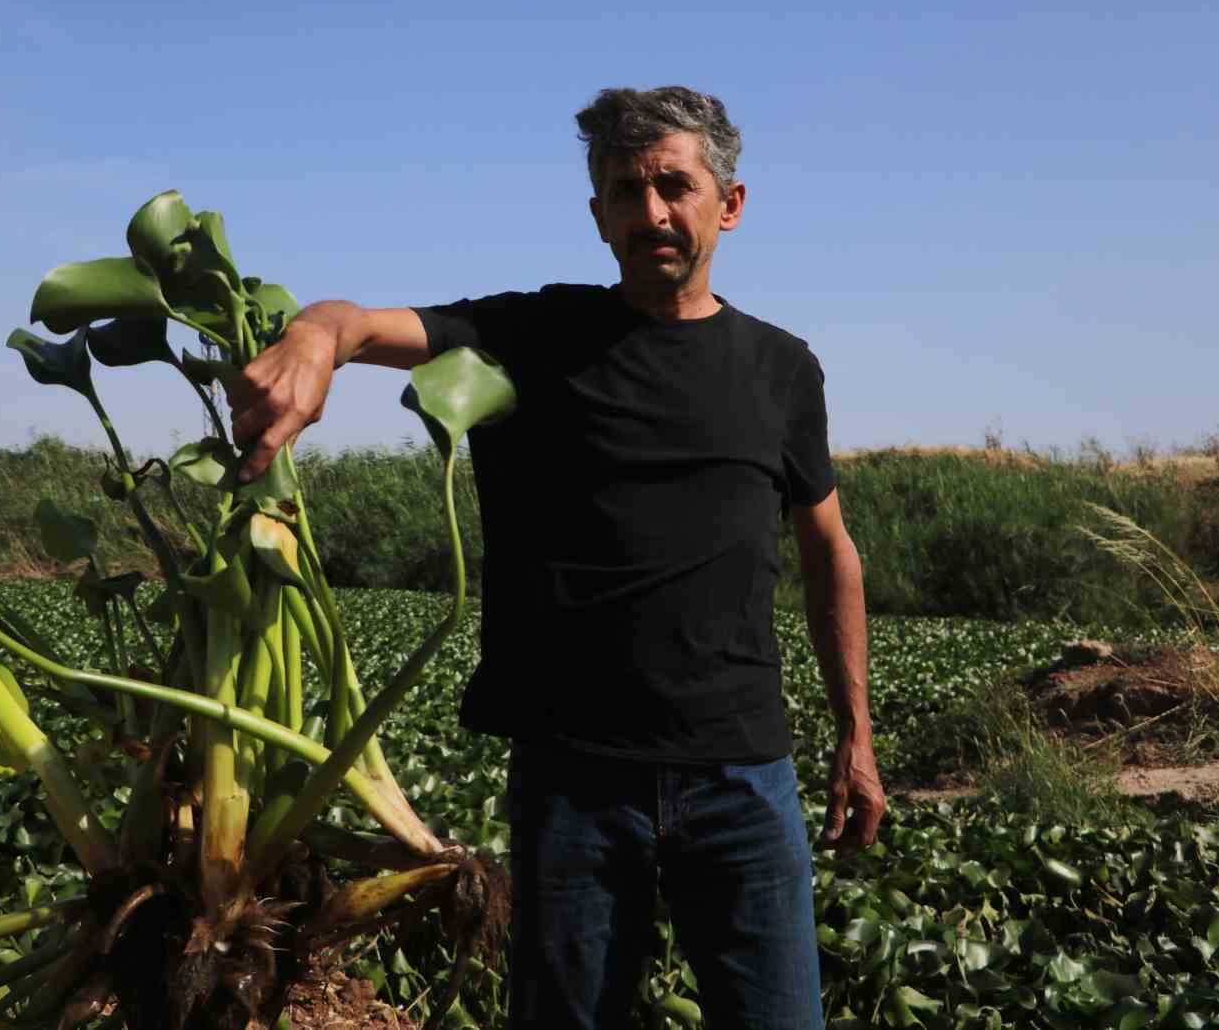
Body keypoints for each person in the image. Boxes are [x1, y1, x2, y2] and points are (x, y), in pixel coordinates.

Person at [226, 86, 885, 1030]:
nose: (651, 211)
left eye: (674, 185)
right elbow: (361, 323)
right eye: (626, 190)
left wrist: (855, 737)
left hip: (742, 779)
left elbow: (831, 553)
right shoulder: (534, 336)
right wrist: (311, 338)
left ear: (728, 204)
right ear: (598, 215)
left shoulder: (783, 368)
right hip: (576, 785)